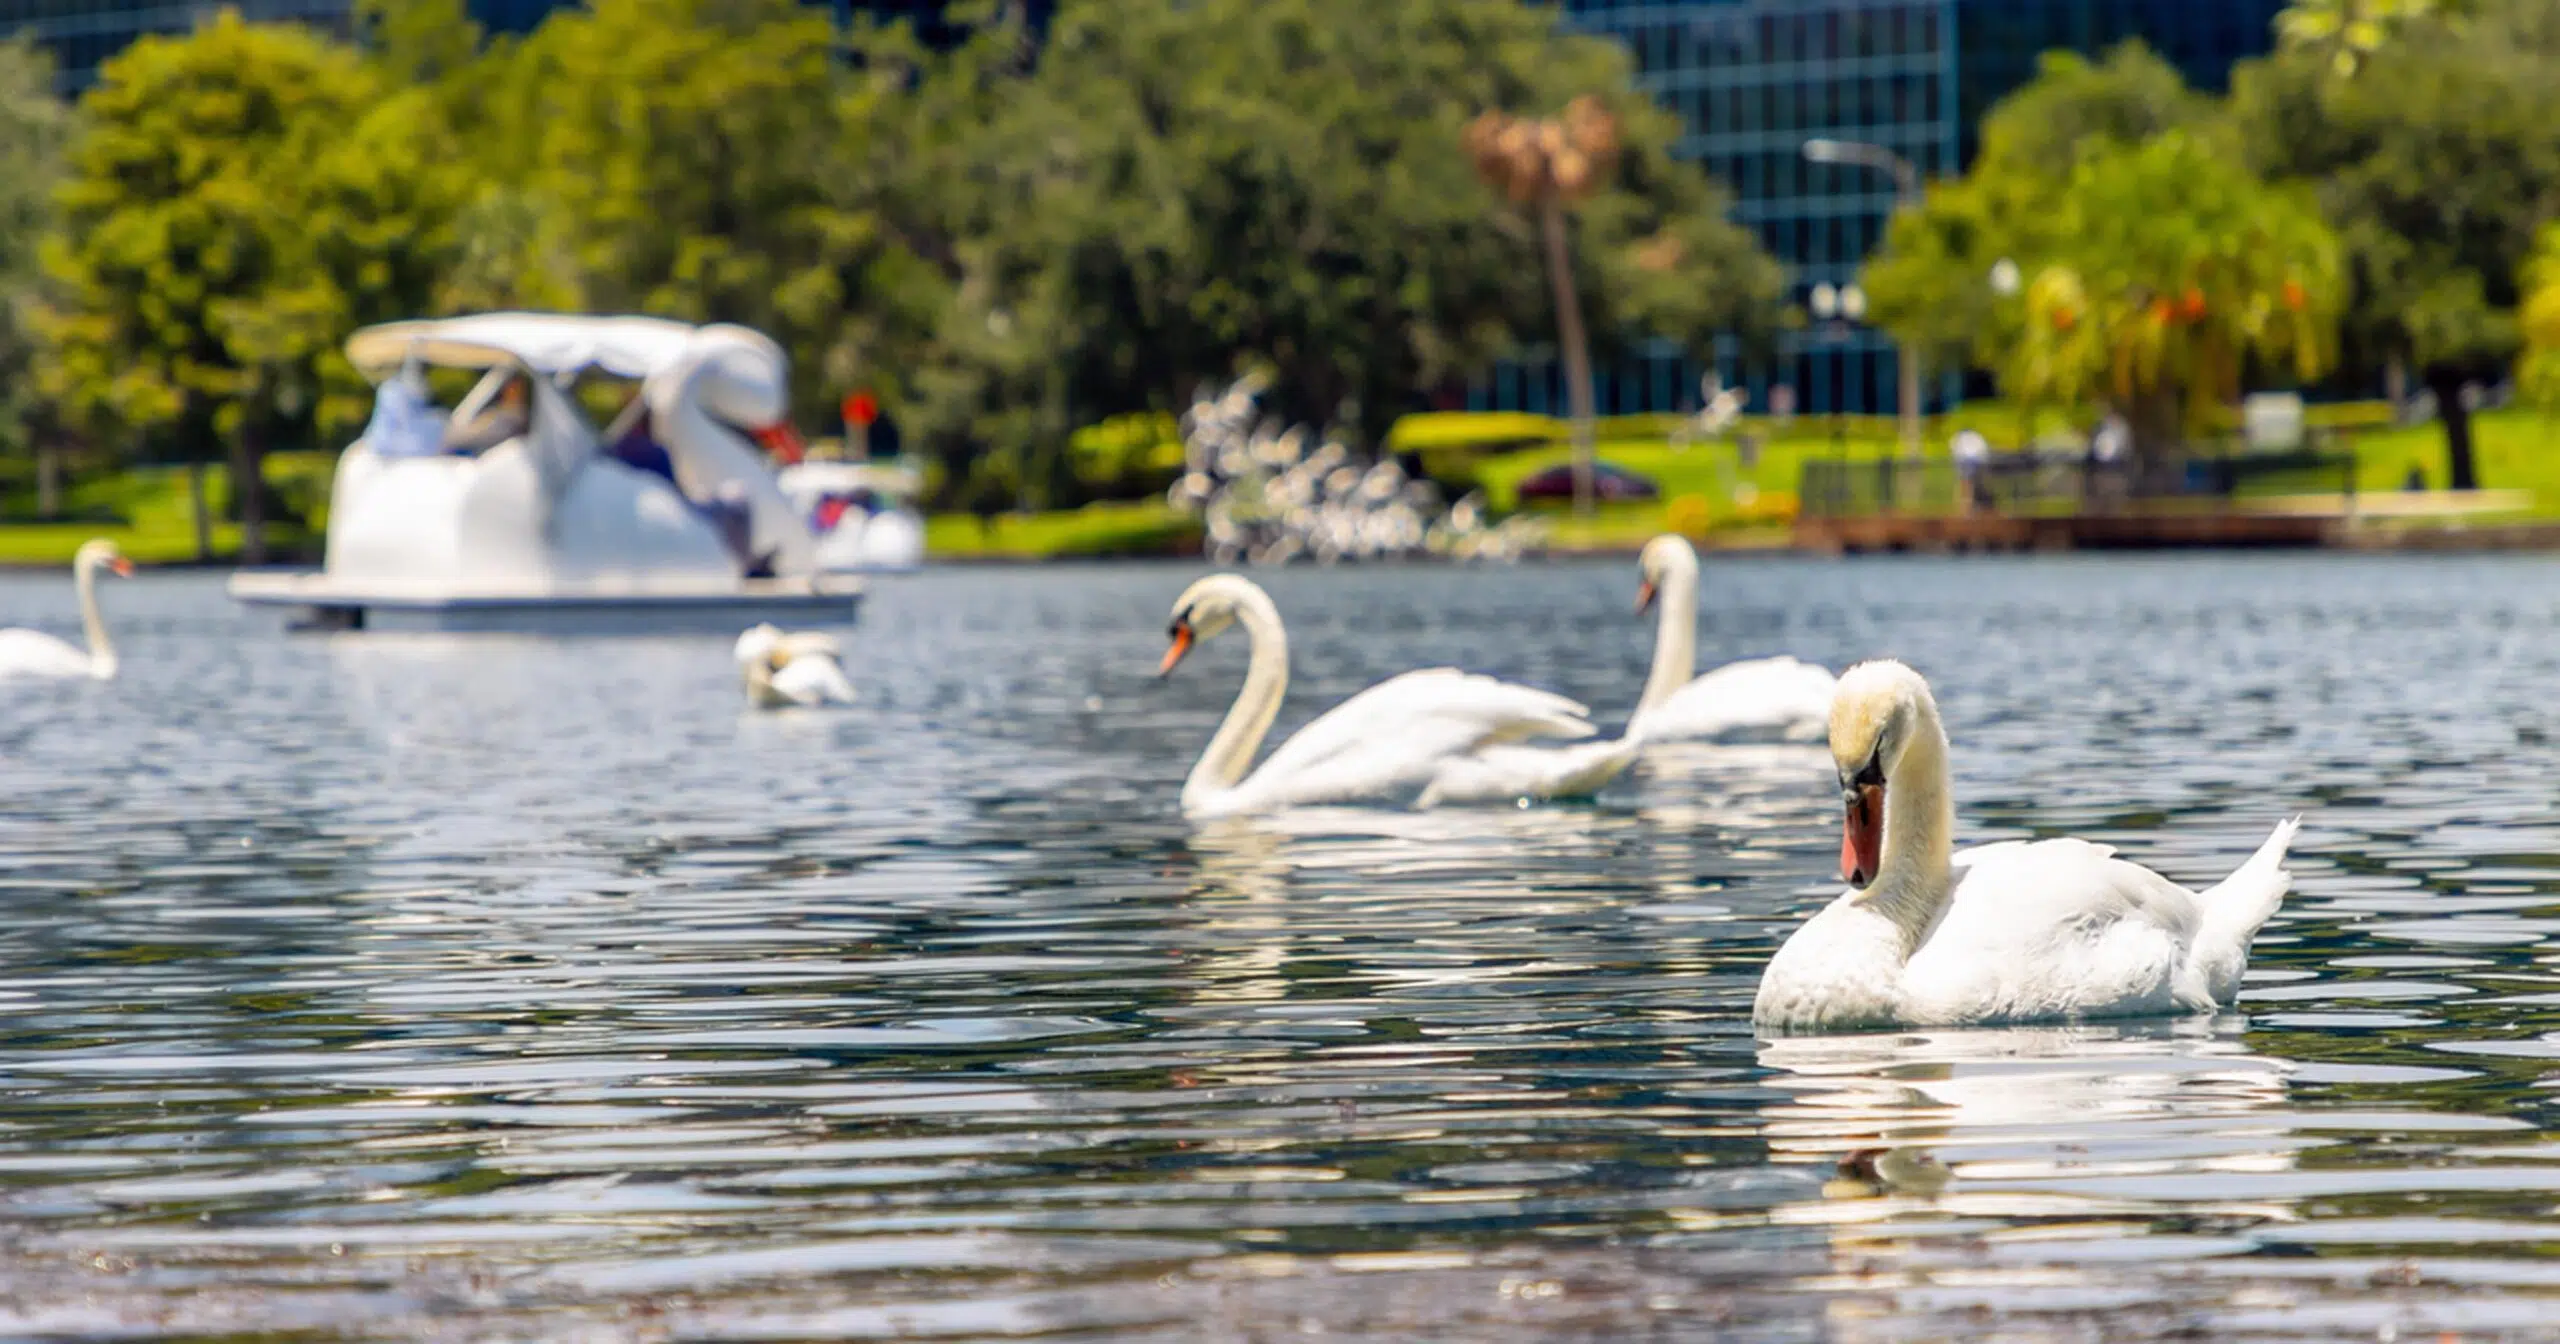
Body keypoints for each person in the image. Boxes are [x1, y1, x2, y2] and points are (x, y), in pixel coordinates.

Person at [442, 373, 530, 455]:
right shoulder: (498, 410)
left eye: (516, 388)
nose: (511, 390)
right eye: (510, 387)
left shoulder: (517, 417)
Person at [1951, 427, 1990, 513]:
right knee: (1968, 484)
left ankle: (1967, 507)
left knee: (1967, 484)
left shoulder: (1961, 437)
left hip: (1970, 462)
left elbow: (1955, 450)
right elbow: (1983, 451)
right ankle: (1967, 507)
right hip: (1974, 462)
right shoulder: (1973, 436)